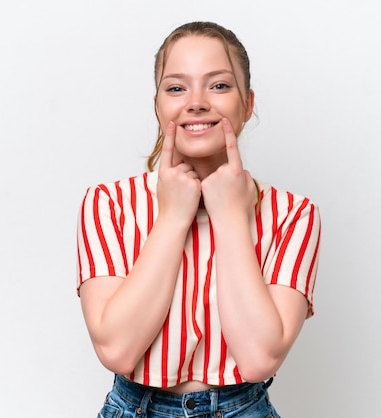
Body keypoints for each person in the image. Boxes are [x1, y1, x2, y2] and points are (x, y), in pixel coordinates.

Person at [76, 21, 321, 418]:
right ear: (158, 104)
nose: (196, 102)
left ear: (248, 103)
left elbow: (259, 358)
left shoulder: (293, 214)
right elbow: (116, 350)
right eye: (176, 87)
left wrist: (229, 217)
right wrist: (173, 217)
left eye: (219, 85)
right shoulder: (109, 204)